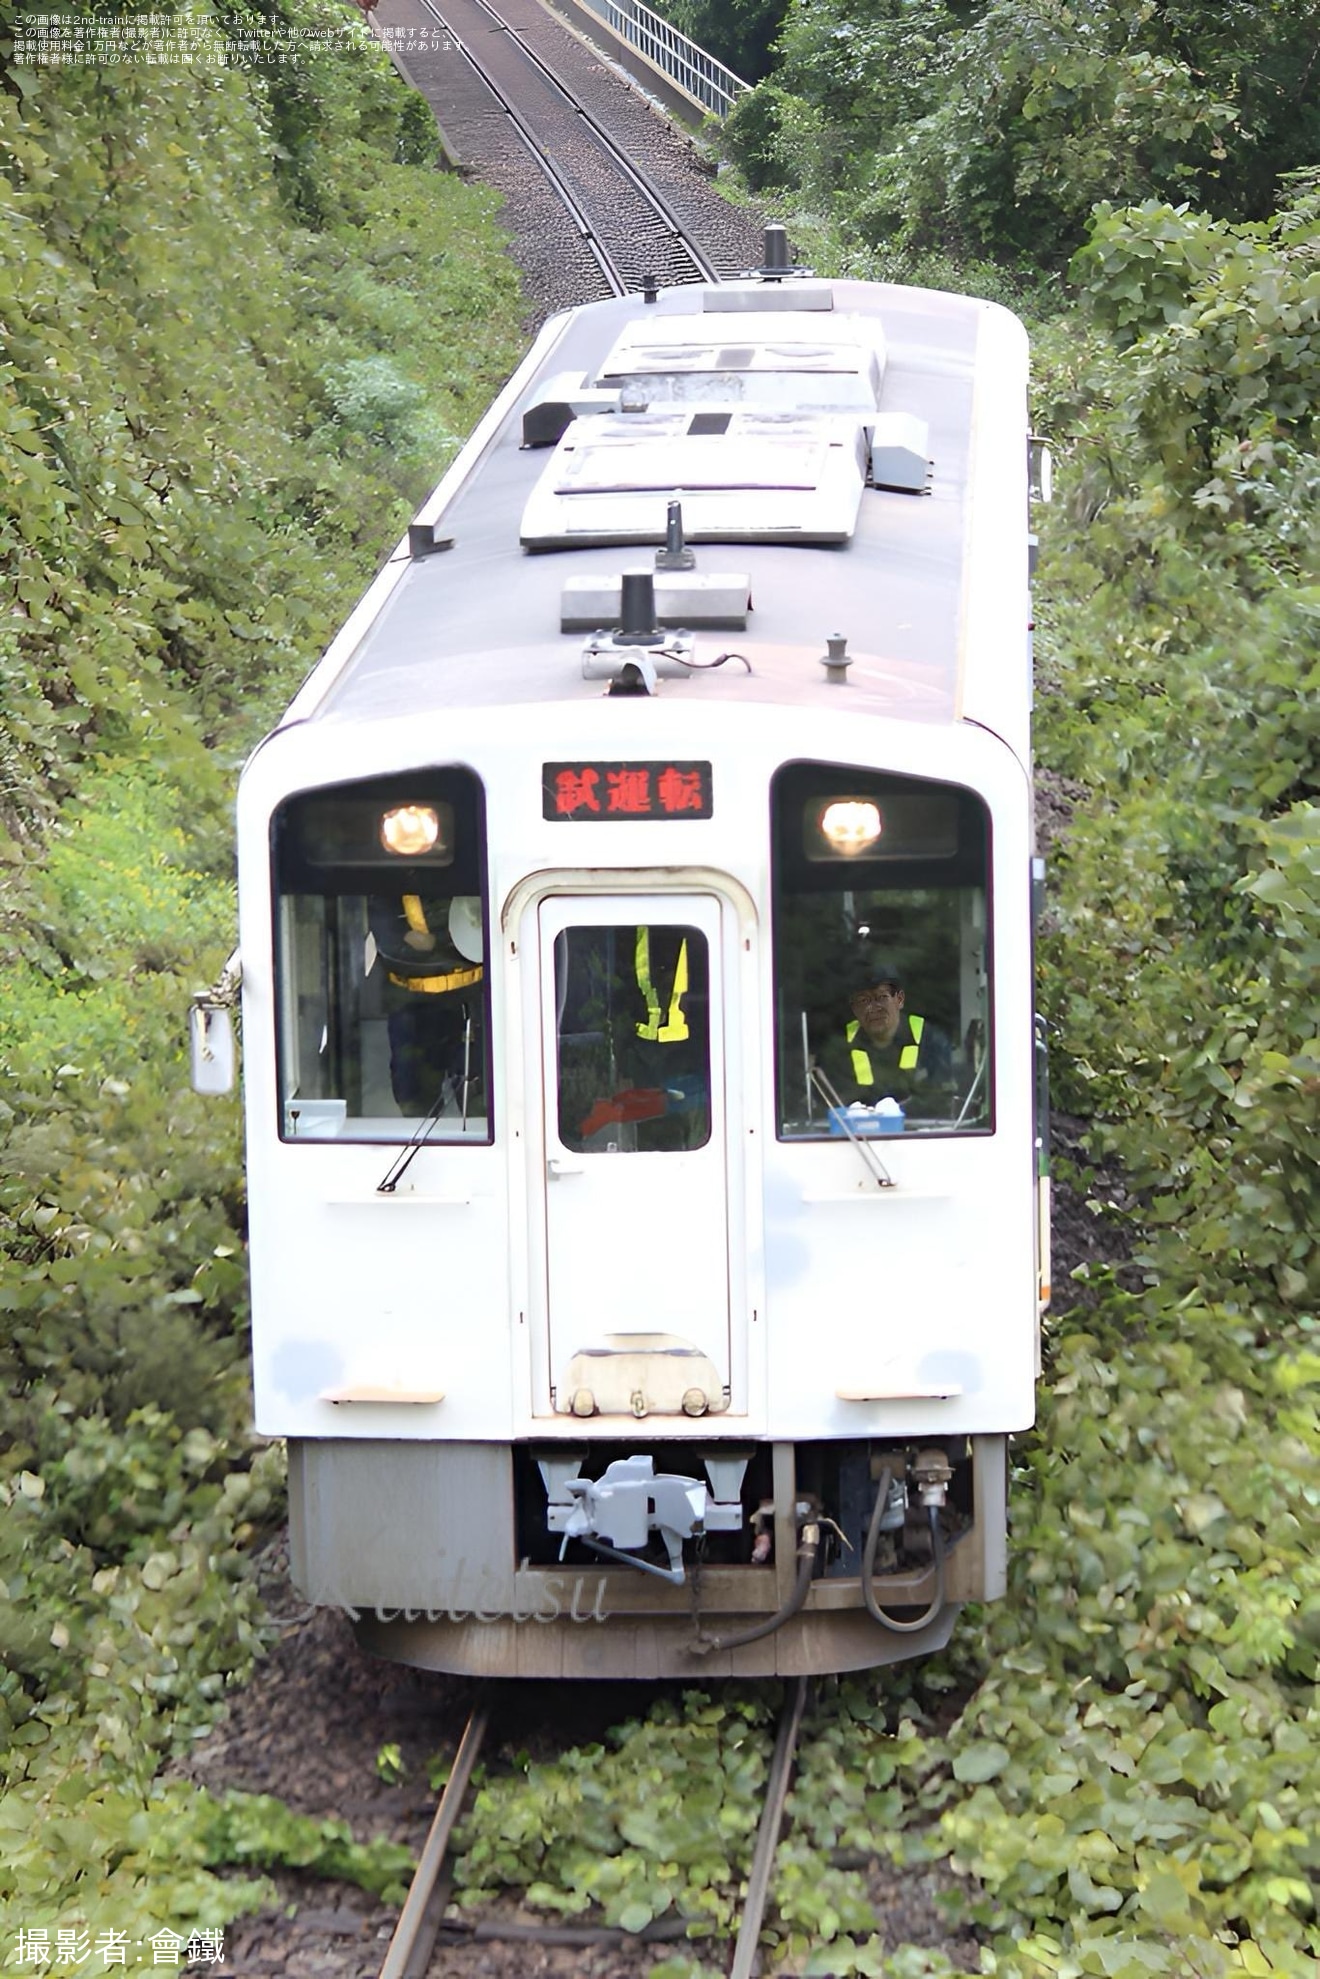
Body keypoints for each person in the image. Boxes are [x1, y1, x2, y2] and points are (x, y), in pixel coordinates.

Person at [369, 894, 484, 1115]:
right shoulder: (386, 877)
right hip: (412, 1005)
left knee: (481, 1102)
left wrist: (435, 941)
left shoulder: (469, 867)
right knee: (413, 1097)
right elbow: (384, 929)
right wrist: (408, 936)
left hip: (471, 1001)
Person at [818, 960, 952, 1115]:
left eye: (881, 997)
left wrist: (899, 1111)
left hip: (917, 1135)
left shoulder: (931, 1041)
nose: (873, 1008)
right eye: (863, 1000)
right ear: (854, 1008)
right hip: (857, 1135)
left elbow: (942, 1101)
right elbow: (832, 1105)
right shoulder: (839, 1047)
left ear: (899, 1000)